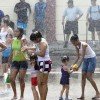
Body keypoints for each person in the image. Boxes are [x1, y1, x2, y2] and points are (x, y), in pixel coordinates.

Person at [70, 34, 100, 100]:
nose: (73, 44)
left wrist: (77, 66)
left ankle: (98, 93)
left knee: (89, 76)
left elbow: (82, 57)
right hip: (86, 59)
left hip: (92, 58)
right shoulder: (76, 46)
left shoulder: (84, 45)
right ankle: (82, 95)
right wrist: (72, 65)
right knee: (83, 76)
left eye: (74, 42)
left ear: (77, 40)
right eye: (72, 43)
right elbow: (78, 57)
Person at [29, 31, 52, 100]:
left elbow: (42, 54)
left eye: (34, 40)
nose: (34, 42)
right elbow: (36, 48)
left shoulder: (43, 43)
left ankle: (43, 98)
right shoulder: (39, 42)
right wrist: (28, 48)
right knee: (39, 83)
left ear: (38, 38)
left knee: (43, 83)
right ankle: (42, 98)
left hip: (45, 63)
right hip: (40, 62)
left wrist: (33, 52)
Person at [9, 28, 28, 100]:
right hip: (15, 61)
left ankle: (22, 96)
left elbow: (25, 49)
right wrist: (9, 61)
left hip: (23, 61)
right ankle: (15, 95)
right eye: (15, 31)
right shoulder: (13, 40)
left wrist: (23, 41)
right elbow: (12, 51)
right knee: (11, 78)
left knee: (21, 79)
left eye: (17, 31)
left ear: (21, 33)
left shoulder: (24, 40)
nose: (15, 32)